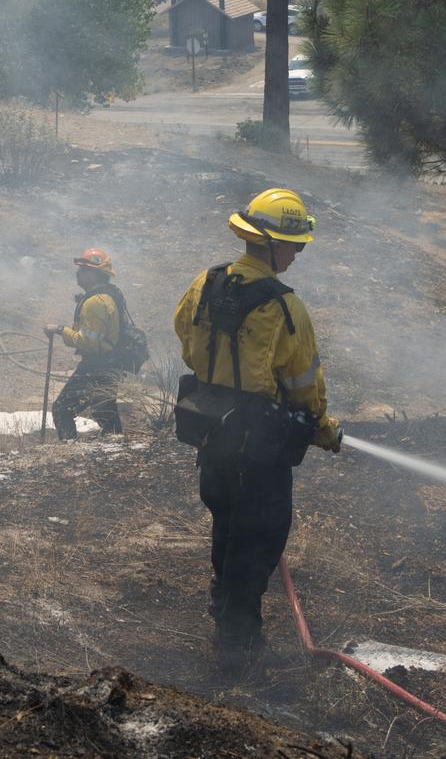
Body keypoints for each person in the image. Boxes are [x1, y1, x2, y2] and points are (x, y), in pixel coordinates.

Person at [174, 187, 342, 675]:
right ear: (270, 245)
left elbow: (185, 337)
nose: (296, 254)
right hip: (259, 446)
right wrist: (324, 429)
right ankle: (238, 644)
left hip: (210, 433)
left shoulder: (204, 283)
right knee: (260, 535)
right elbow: (305, 385)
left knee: (226, 521)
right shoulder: (285, 307)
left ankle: (222, 602)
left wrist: (220, 376)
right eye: (294, 244)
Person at [45, 248, 127, 439]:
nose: (78, 273)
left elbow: (89, 343)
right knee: (104, 412)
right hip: (110, 364)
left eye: (83, 269)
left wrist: (60, 329)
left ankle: (69, 453)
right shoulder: (106, 297)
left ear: (94, 274)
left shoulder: (95, 302)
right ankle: (115, 450)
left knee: (62, 409)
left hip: (97, 364)